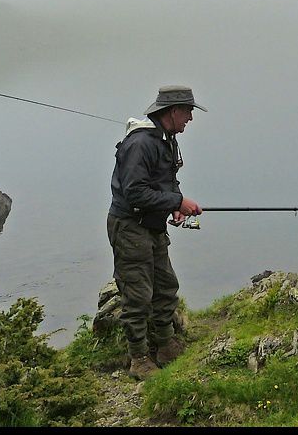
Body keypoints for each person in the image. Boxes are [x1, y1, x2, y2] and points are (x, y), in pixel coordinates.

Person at [107, 85, 206, 378]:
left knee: (165, 286)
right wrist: (177, 201)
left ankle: (165, 345)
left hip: (151, 226)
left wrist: (175, 205)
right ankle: (138, 359)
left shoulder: (167, 139)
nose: (190, 118)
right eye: (188, 112)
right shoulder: (141, 143)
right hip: (129, 228)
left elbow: (168, 180)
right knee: (137, 295)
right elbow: (135, 192)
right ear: (172, 111)